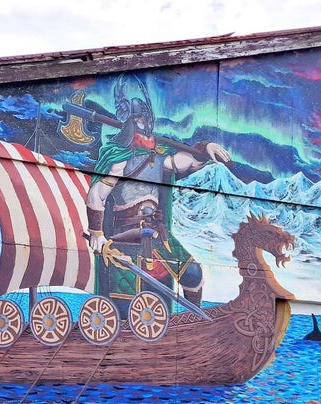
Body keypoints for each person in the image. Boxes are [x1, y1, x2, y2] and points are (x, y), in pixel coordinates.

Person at [84, 79, 231, 312]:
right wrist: (96, 232)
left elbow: (186, 163)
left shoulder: (158, 156)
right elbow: (96, 195)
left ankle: (190, 321)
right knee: (125, 305)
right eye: (138, 120)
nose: (143, 124)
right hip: (125, 234)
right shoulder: (118, 157)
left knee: (192, 273)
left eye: (145, 119)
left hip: (156, 232)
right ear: (130, 123)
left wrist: (204, 149)